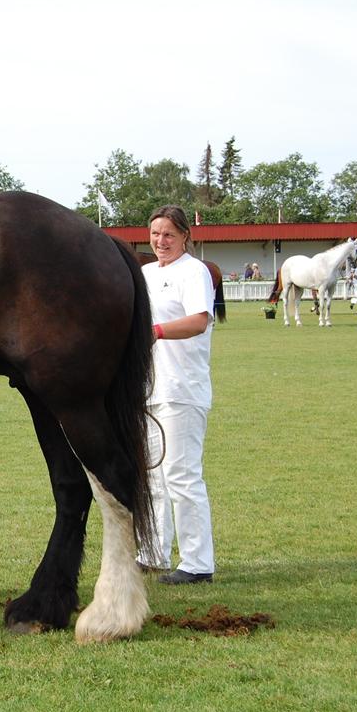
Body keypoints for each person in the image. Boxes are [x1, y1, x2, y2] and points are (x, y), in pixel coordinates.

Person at [137, 205, 216, 585]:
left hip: (182, 387)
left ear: (185, 235)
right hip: (149, 388)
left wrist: (156, 331)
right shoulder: (145, 273)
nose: (161, 241)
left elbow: (199, 320)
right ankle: (151, 551)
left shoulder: (194, 271)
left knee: (182, 475)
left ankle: (198, 563)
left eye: (168, 234)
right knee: (152, 475)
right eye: (155, 234)